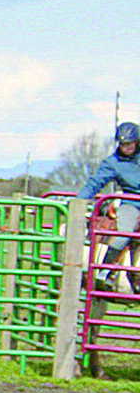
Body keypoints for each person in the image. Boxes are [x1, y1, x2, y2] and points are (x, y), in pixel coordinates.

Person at [78, 121, 140, 290]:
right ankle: (105, 271)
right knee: (125, 232)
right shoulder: (112, 163)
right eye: (123, 144)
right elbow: (95, 183)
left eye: (130, 144)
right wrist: (79, 200)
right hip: (132, 202)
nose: (126, 148)